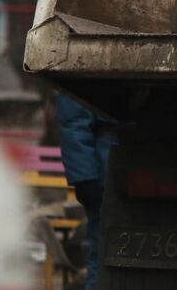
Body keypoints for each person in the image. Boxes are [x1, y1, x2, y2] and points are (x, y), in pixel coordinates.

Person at [56, 93, 119, 290]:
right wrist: (85, 178)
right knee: (103, 257)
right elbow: (74, 118)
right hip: (108, 174)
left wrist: (84, 177)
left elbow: (74, 120)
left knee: (102, 258)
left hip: (109, 168)